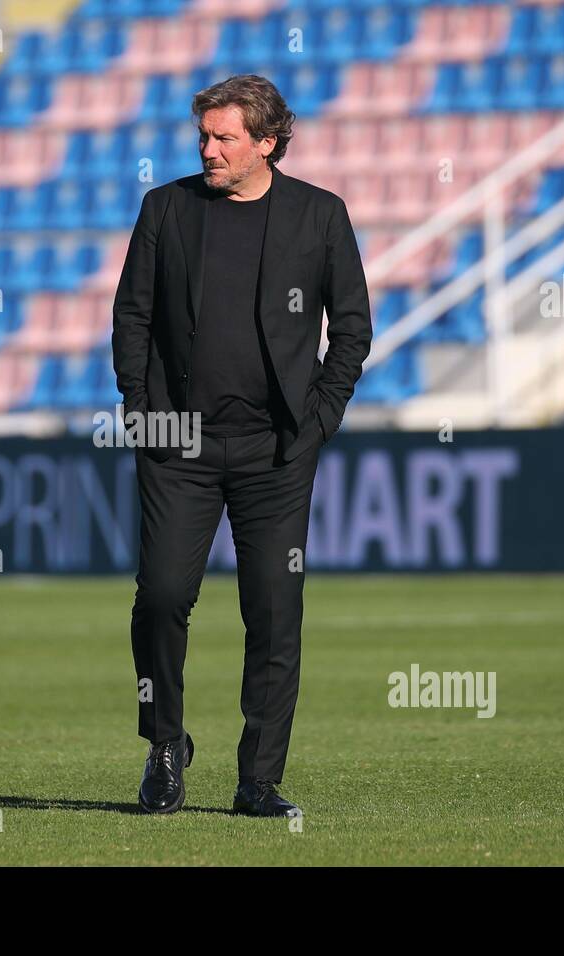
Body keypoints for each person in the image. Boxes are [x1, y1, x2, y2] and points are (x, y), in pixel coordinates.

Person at [111, 75, 372, 816]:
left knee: (273, 609)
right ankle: (164, 744)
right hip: (178, 443)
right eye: (204, 136)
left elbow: (351, 329)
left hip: (276, 452)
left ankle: (258, 781)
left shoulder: (321, 215)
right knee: (160, 596)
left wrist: (318, 419)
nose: (209, 150)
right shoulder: (166, 208)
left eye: (225, 138)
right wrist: (142, 409)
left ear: (267, 143)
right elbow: (131, 317)